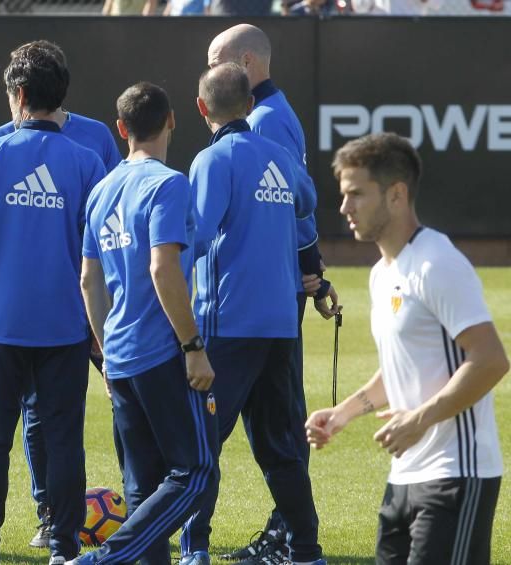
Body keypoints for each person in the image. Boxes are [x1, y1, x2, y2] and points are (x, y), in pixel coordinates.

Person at [0, 42, 106, 565]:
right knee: (64, 443)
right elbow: (100, 252)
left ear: (20, 95)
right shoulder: (86, 162)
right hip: (64, 328)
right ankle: (62, 548)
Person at [307, 133, 507, 565]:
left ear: (396, 194)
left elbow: (490, 359)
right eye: (344, 195)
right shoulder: (382, 273)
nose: (345, 208)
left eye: (356, 194)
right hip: (404, 478)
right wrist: (342, 414)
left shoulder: (438, 262)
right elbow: (402, 368)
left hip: (457, 475)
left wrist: (420, 419)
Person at [200, 24, 340, 564]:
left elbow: (291, 208)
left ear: (249, 61)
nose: (212, 64)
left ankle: (215, 545)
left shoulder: (262, 125)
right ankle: (296, 542)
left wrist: (311, 269)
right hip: (272, 299)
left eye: (218, 57)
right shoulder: (270, 117)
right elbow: (299, 199)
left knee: (215, 437)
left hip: (246, 302)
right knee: (274, 430)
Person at [72, 81, 217, 565]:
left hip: (121, 354)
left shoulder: (101, 190)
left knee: (142, 485)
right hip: (161, 351)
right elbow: (163, 267)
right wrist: (192, 345)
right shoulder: (168, 183)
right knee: (195, 471)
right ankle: (104, 558)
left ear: (121, 129)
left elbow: (90, 280)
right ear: (172, 120)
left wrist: (107, 353)